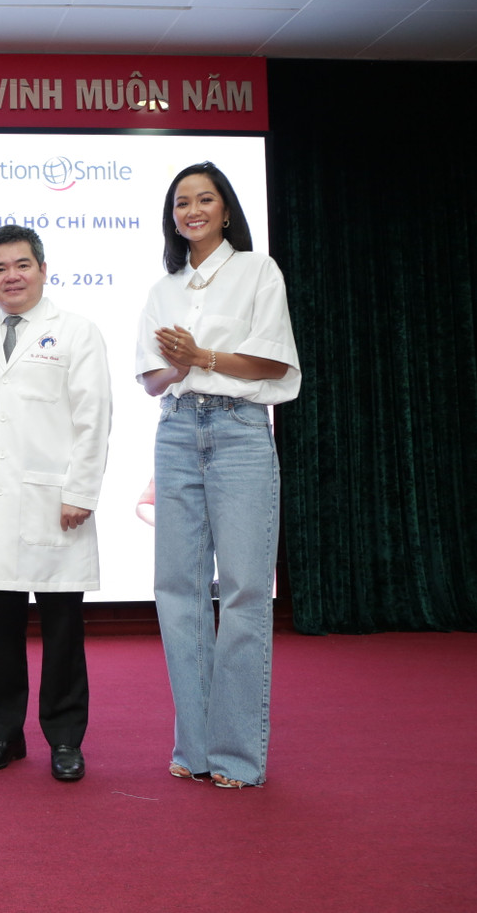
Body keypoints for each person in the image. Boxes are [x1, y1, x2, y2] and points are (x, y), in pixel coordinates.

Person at [135, 161, 300, 788]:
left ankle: (236, 756)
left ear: (226, 210)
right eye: (182, 203)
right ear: (173, 217)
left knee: (244, 591)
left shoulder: (259, 271)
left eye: (205, 200)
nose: (193, 211)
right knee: (177, 589)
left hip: (239, 430)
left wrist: (199, 355)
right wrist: (178, 367)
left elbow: (272, 363)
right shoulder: (164, 287)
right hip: (177, 429)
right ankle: (196, 748)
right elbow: (152, 380)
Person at [0, 224, 112, 781]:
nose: (10, 277)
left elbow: (93, 417)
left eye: (21, 265)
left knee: (62, 631)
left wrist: (81, 491)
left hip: (56, 503)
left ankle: (65, 740)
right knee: (0, 630)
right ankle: (2, 736)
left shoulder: (77, 332)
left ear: (42, 269)